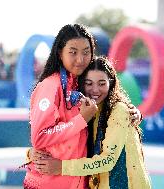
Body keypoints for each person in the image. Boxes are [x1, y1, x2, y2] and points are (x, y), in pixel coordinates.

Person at [23, 24, 142, 189]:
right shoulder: (51, 86)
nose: (80, 59)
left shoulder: (80, 85)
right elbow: (41, 136)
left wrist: (135, 113)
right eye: (73, 52)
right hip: (49, 183)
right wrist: (80, 120)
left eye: (86, 52)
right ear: (60, 52)